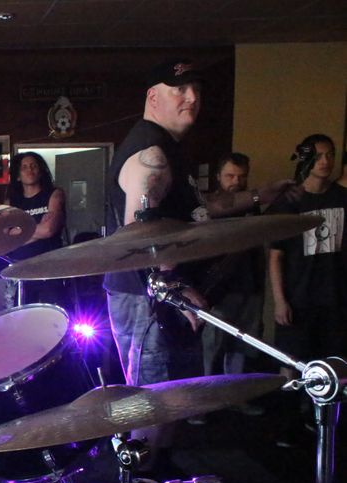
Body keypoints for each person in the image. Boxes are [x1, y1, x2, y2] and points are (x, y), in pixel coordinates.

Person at [103, 59, 297, 455]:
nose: (192, 97)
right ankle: (142, 478)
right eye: (179, 89)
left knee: (175, 393)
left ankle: (158, 470)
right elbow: (139, 233)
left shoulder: (170, 150)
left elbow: (202, 207)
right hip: (147, 296)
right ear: (153, 97)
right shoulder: (151, 155)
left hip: (158, 293)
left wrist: (259, 195)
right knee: (155, 399)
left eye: (197, 90)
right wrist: (173, 284)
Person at [269, 134, 347, 372]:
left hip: (335, 295)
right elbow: (276, 256)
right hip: (298, 297)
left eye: (330, 155)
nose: (325, 161)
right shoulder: (290, 201)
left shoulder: (342, 197)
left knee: (333, 362)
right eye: (319, 156)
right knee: (290, 360)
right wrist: (280, 300)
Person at [201, 153, 266, 378]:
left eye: (242, 176)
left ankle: (235, 392)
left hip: (249, 286)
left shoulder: (252, 205)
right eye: (230, 176)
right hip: (219, 290)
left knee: (242, 346)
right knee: (211, 347)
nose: (236, 181)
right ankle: (206, 394)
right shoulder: (210, 206)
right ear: (218, 176)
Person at [4, 151, 67, 306]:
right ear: (18, 176)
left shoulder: (54, 194)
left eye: (33, 166)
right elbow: (6, 237)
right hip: (21, 269)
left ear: (40, 171)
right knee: (21, 315)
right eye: (24, 167)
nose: (30, 170)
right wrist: (38, 229)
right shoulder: (11, 202)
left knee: (53, 314)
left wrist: (18, 233)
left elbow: (48, 230)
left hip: (50, 268)